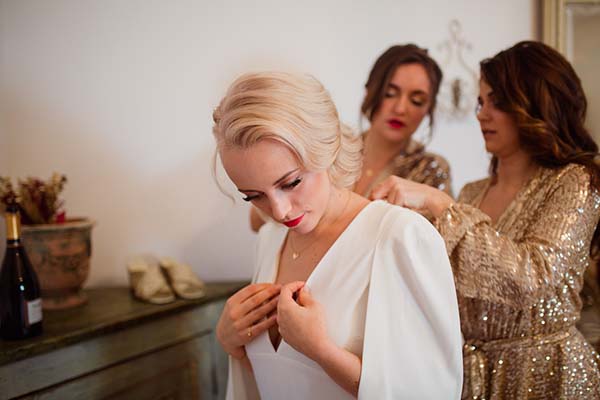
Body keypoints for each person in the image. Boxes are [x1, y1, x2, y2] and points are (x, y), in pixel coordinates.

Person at [371, 41, 600, 399]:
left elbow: (532, 277)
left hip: (548, 376)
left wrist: (440, 204)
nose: (482, 114)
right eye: (481, 102)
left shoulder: (574, 182)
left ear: (535, 104)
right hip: (474, 380)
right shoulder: (472, 193)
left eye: (498, 102)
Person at [212, 71, 462, 399]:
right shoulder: (269, 241)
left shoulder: (400, 238)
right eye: (253, 196)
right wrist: (231, 343)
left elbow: (431, 393)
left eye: (291, 183)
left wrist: (322, 350)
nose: (279, 211)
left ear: (327, 149)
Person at [249, 44, 451, 231]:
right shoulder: (330, 146)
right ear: (370, 91)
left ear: (428, 109)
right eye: (390, 93)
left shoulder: (431, 169)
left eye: (417, 100)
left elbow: (438, 244)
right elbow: (256, 222)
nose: (400, 108)